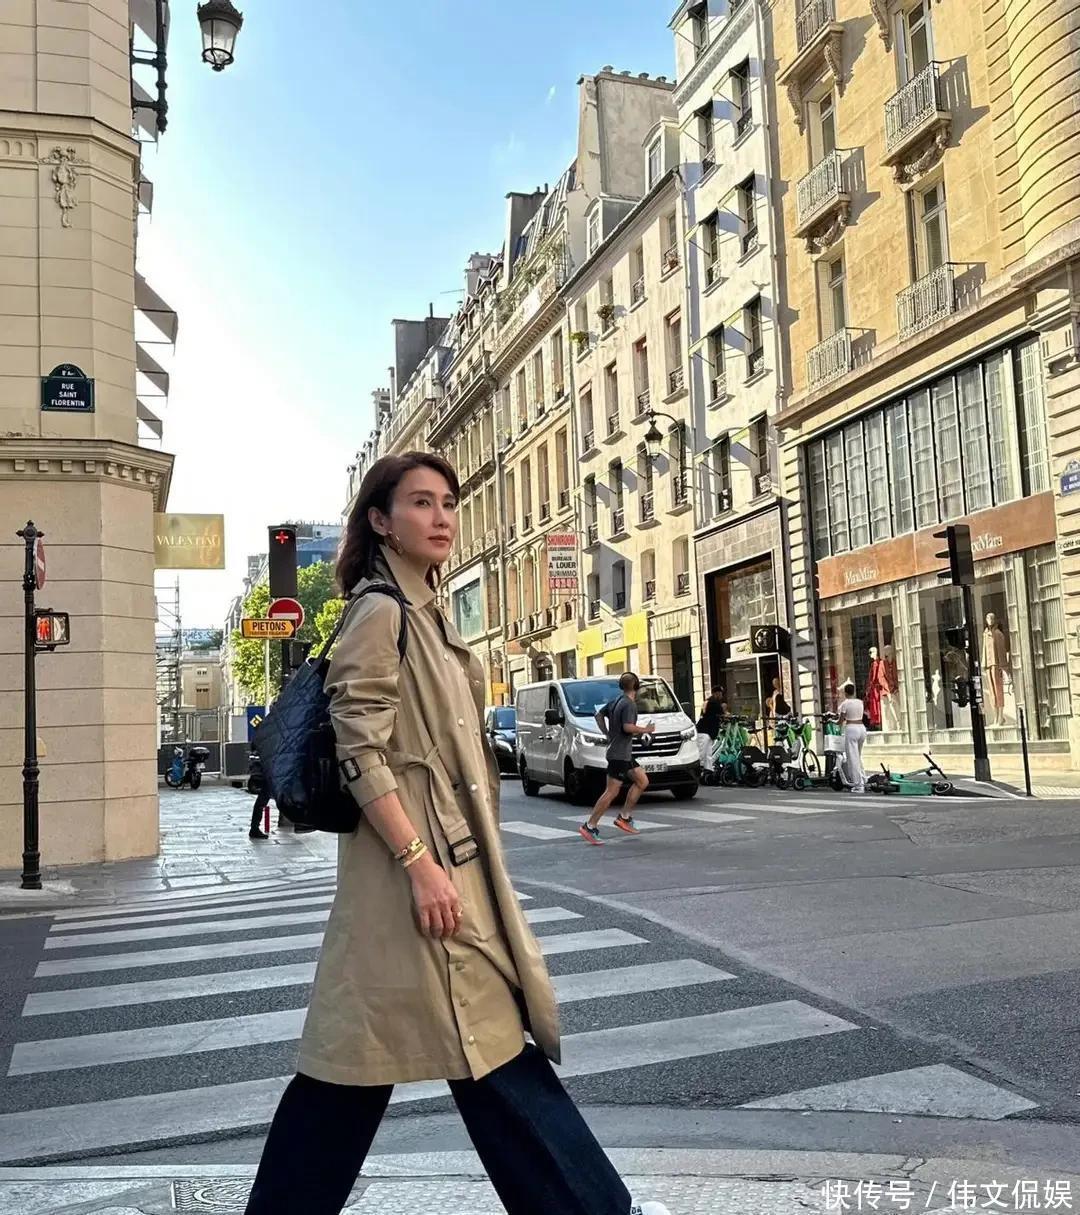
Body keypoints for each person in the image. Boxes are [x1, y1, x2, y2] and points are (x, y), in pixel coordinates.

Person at [244, 451, 668, 1215]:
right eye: (420, 502)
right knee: (470, 1048)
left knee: (375, 1063)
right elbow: (360, 748)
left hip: (441, 873)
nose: (441, 517)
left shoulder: (426, 611)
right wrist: (420, 863)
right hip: (421, 881)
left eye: (447, 502)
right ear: (381, 520)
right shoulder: (382, 612)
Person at [579, 672, 656, 845]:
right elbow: (627, 727)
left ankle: (624, 817)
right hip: (619, 755)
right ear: (636, 686)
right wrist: (646, 730)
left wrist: (607, 733)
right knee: (611, 791)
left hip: (623, 753)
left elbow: (598, 715)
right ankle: (589, 826)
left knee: (642, 781)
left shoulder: (616, 701)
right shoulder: (629, 704)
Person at [837, 680, 867, 794]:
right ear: (853, 692)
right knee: (858, 756)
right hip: (862, 728)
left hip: (851, 728)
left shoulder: (845, 704)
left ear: (845, 693)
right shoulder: (860, 702)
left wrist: (834, 722)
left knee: (852, 758)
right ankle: (863, 779)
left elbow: (840, 720)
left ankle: (858, 785)